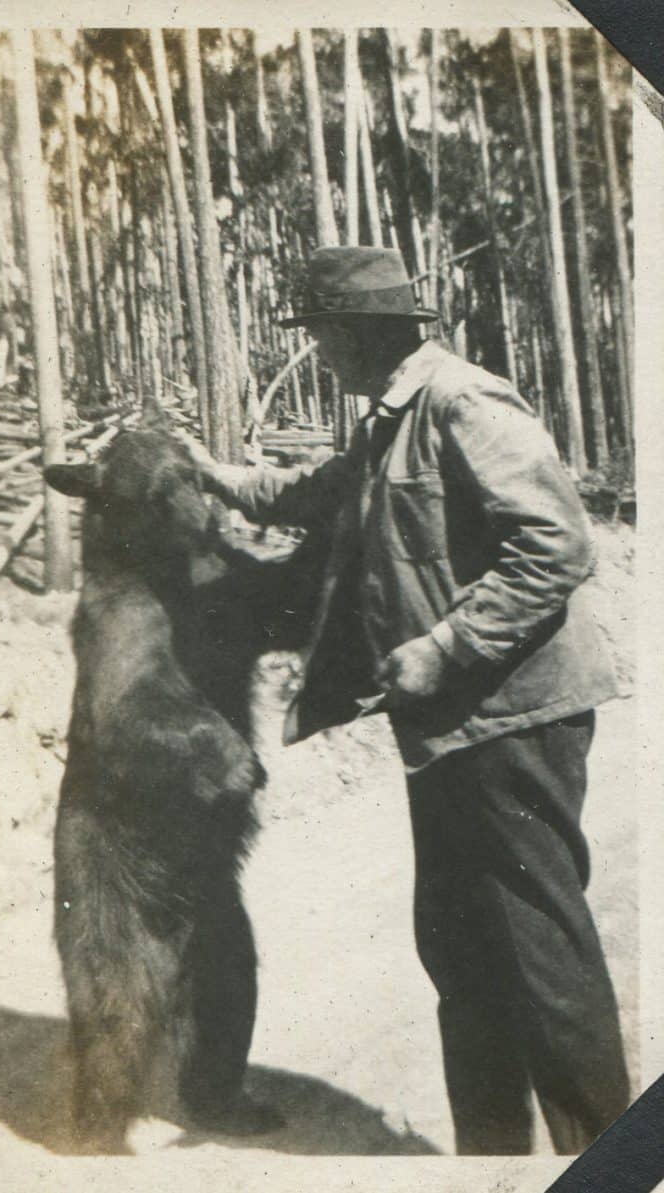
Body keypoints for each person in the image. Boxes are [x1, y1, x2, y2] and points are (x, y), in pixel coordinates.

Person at [187, 245, 629, 1154]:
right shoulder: (388, 422)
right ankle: (492, 1160)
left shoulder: (460, 400)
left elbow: (556, 542)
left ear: (355, 333)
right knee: (463, 952)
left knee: (543, 957)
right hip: (449, 727)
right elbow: (311, 493)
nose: (317, 353)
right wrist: (212, 473)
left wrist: (446, 644)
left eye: (320, 335)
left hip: (516, 718)